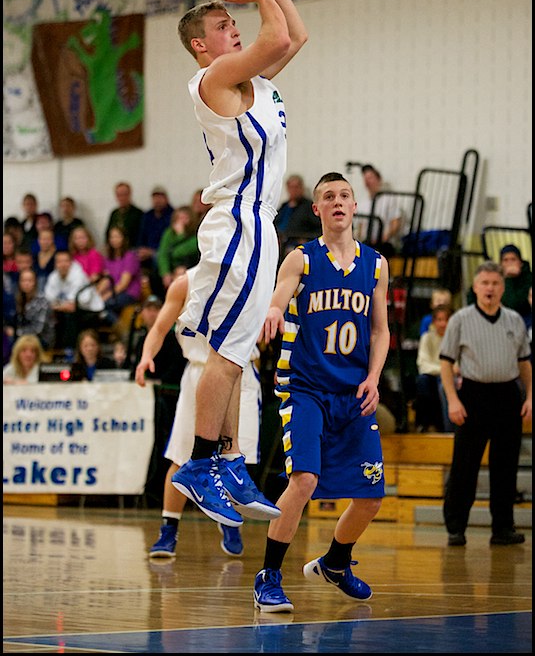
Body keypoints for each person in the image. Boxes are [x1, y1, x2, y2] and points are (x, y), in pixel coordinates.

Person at [170, 0, 307, 526]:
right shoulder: (213, 80)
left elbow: (293, 34)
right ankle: (200, 465)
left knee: (238, 353)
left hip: (261, 225)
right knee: (226, 354)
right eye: (224, 26)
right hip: (237, 223)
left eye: (235, 21)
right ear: (202, 47)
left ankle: (228, 460)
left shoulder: (259, 85)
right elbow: (274, 31)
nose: (236, 30)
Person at [253, 171, 390, 613]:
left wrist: (373, 377)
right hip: (306, 389)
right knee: (305, 480)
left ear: (354, 206)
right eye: (328, 196)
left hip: (353, 393)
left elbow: (382, 331)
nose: (337, 202)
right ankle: (269, 575)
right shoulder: (302, 259)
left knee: (370, 496)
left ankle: (335, 561)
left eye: (344, 196)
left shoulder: (376, 265)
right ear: (317, 209)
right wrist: (274, 312)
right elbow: (279, 295)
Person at [135, 267, 263, 558]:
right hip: (198, 371)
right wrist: (145, 357)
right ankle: (168, 529)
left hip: (239, 373)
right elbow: (158, 328)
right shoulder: (185, 283)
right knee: (181, 458)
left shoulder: (251, 274)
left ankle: (228, 517)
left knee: (235, 459)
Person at [440, 260, 532, 547]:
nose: (490, 288)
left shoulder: (514, 320)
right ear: (475, 288)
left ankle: (502, 528)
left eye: (495, 283)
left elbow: (525, 363)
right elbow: (446, 363)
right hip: (472, 397)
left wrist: (530, 396)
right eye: (485, 283)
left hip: (508, 396)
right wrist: (453, 401)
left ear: (502, 288)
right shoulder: (460, 320)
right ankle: (456, 527)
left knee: (505, 466)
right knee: (464, 466)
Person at [132, 294, 188, 506]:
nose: (152, 313)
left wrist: (159, 381)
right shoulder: (139, 338)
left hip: (170, 397)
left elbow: (176, 368)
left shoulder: (173, 337)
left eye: (157, 309)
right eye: (148, 309)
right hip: (148, 397)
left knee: (174, 449)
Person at [414, 304, 455, 433]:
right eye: (439, 320)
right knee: (422, 380)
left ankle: (447, 428)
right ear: (434, 322)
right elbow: (422, 364)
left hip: (452, 378)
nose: (443, 324)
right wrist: (444, 370)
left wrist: (448, 372)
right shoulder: (426, 338)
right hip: (433, 377)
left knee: (443, 383)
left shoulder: (456, 339)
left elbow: (459, 365)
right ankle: (426, 425)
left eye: (446, 320)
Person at [98, 225, 142, 324]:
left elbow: (123, 284)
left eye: (117, 236)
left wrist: (108, 295)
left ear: (124, 238)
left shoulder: (130, 256)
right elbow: (106, 280)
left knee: (104, 305)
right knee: (95, 305)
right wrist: (97, 293)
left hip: (129, 293)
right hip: (114, 292)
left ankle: (122, 331)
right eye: (112, 237)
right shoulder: (109, 258)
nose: (114, 240)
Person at [357, 164, 403, 258]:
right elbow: (360, 229)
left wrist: (383, 238)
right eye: (365, 178)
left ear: (378, 179)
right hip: (367, 243)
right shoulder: (362, 203)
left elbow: (396, 223)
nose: (367, 181)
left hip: (384, 243)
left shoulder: (389, 199)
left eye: (370, 178)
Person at [274, 174, 322, 260]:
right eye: (291, 187)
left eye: (296, 187)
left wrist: (306, 240)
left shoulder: (309, 207)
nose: (294, 190)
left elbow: (319, 228)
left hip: (296, 244)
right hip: (279, 243)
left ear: (301, 188)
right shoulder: (284, 206)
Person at [137, 186, 174, 298]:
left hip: (162, 251)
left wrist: (152, 252)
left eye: (160, 197)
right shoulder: (147, 216)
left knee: (157, 259)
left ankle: (158, 294)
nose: (157, 201)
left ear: (166, 199)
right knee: (131, 255)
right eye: (155, 198)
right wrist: (141, 249)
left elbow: (169, 242)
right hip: (147, 250)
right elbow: (141, 236)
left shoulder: (172, 215)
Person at [156, 206, 200, 291]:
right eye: (179, 218)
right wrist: (165, 273)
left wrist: (180, 235)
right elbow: (163, 253)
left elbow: (184, 251)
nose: (181, 221)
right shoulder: (169, 233)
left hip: (191, 264)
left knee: (181, 273)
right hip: (173, 265)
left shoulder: (196, 233)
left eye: (185, 218)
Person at [12, 267, 55, 352]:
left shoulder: (42, 301)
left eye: (30, 280)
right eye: (23, 280)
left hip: (42, 340)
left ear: (35, 282)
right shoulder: (18, 300)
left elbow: (37, 329)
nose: (26, 283)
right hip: (23, 337)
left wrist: (16, 333)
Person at [105, 181, 144, 248]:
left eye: (125, 194)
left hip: (132, 249)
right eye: (119, 195)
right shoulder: (114, 213)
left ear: (130, 194)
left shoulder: (138, 214)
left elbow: (141, 236)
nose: (122, 198)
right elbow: (107, 233)